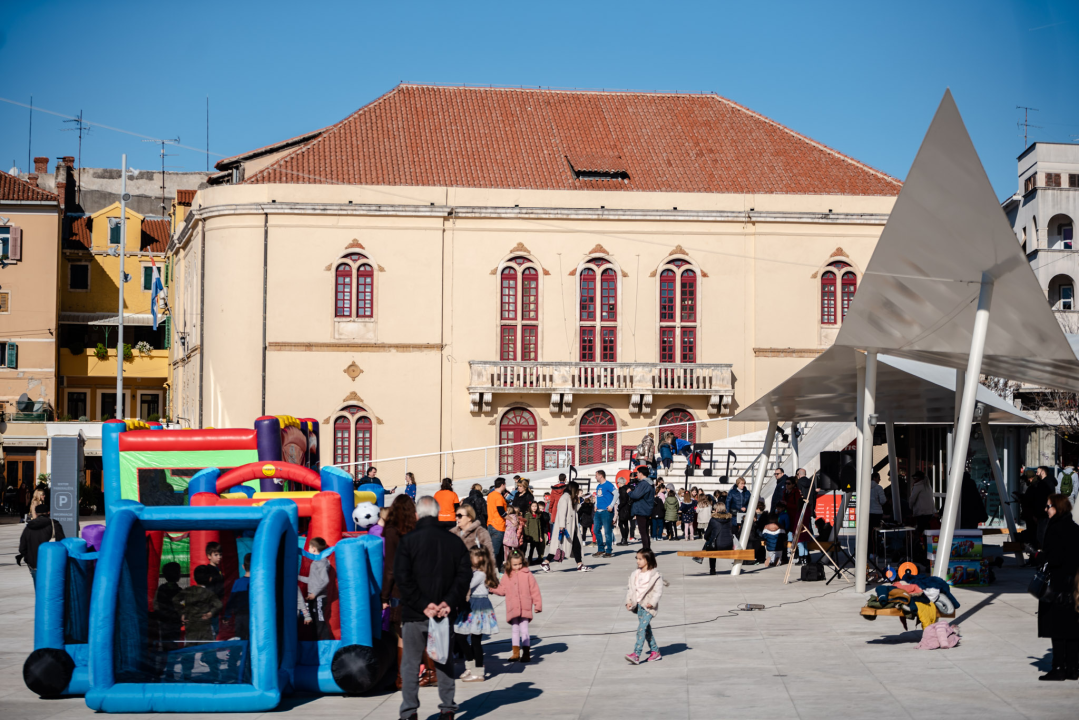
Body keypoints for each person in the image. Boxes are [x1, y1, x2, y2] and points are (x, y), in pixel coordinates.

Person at [394, 496, 472, 720]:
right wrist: (449, 601)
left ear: (417, 515)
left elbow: (402, 577)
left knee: (410, 663)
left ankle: (409, 712)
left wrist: (422, 604)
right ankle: (447, 709)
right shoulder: (453, 541)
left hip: (415, 613)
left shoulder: (407, 541)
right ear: (438, 514)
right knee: (444, 660)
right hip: (444, 614)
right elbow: (464, 574)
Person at [1036, 494, 1079, 681]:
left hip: (1058, 584)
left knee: (1057, 629)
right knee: (1072, 629)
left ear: (1057, 507)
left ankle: (1059, 667)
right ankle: (1073, 668)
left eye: (1048, 506)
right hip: (1075, 585)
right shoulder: (1076, 528)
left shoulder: (1054, 529)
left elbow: (1054, 559)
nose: (1046, 510)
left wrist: (1039, 557)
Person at [381, 495, 421, 690]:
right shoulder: (418, 529)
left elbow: (390, 567)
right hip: (420, 584)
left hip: (400, 586)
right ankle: (427, 670)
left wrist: (384, 596)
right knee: (419, 629)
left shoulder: (392, 531)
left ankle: (402, 677)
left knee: (402, 634)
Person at [453, 547, 500, 682]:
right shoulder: (477, 572)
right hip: (473, 604)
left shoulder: (480, 574)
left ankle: (478, 671)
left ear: (479, 559)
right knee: (461, 636)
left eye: (471, 557)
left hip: (478, 606)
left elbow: (466, 584)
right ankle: (471, 666)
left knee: (475, 641)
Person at [490, 550, 543, 663]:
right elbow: (502, 590)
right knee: (514, 629)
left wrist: (537, 604)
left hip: (525, 607)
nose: (518, 567)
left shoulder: (527, 574)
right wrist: (492, 588)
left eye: (520, 564)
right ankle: (515, 653)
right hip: (513, 608)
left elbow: (534, 590)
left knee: (524, 630)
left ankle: (526, 653)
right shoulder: (507, 575)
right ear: (509, 564)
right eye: (515, 565)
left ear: (523, 562)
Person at [174, 564, 223, 680]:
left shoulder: (188, 591)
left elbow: (175, 599)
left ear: (194, 578)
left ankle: (186, 675)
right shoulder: (209, 593)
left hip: (191, 627)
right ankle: (215, 676)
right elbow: (219, 605)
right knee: (209, 652)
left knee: (189, 652)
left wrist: (181, 613)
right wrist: (210, 613)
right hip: (205, 628)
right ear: (210, 579)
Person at [624, 548, 664, 665]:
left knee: (641, 630)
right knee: (646, 630)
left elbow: (658, 591)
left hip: (648, 607)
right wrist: (629, 601)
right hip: (639, 606)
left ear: (648, 559)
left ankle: (636, 654)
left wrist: (652, 602)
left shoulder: (655, 575)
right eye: (637, 559)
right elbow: (631, 590)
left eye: (640, 559)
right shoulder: (635, 574)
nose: (638, 561)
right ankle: (655, 652)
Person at [543, 480, 590, 572]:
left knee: (575, 544)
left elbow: (575, 510)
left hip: (571, 526)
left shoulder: (570, 497)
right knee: (559, 545)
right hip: (565, 527)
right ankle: (546, 562)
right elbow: (562, 512)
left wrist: (578, 501)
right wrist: (562, 526)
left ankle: (579, 564)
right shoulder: (565, 498)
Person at [18, 502, 64, 587]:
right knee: (54, 593)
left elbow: (22, 548)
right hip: (52, 564)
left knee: (40, 593)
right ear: (48, 512)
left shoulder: (28, 527)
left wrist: (28, 560)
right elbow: (62, 545)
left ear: (35, 513)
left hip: (34, 565)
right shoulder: (54, 525)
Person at [305, 537, 334, 640]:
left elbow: (325, 580)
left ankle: (326, 642)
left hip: (319, 597)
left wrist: (314, 593)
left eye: (309, 547)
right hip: (314, 597)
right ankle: (317, 641)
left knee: (320, 620)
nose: (307, 549)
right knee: (314, 621)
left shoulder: (322, 562)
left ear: (313, 549)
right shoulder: (315, 562)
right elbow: (312, 580)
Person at [155, 561, 185, 654]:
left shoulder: (162, 588)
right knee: (173, 644)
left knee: (166, 644)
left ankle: (166, 663)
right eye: (179, 572)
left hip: (165, 621)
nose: (180, 574)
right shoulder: (178, 590)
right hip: (174, 621)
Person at [703, 506, 735, 575]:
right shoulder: (729, 519)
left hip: (717, 546)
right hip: (729, 544)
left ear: (717, 510)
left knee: (710, 544)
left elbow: (706, 535)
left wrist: (709, 539)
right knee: (711, 542)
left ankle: (712, 569)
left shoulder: (713, 520)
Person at [592, 469, 617, 558]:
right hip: (598, 511)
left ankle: (609, 550)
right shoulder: (598, 486)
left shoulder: (608, 485)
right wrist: (595, 504)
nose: (595, 477)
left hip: (606, 512)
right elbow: (598, 497)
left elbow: (616, 494)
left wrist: (611, 505)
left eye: (596, 475)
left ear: (600, 475)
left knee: (607, 532)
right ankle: (601, 549)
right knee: (595, 530)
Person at [629, 468, 655, 552]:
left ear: (641, 473)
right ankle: (647, 548)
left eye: (638, 473)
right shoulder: (650, 483)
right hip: (647, 509)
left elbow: (636, 495)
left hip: (642, 509)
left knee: (643, 531)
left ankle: (646, 550)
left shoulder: (644, 483)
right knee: (645, 531)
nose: (637, 475)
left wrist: (629, 492)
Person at [486, 478, 509, 562]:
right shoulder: (498, 496)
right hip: (498, 525)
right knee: (495, 550)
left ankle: (498, 568)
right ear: (502, 485)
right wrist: (511, 519)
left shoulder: (490, 495)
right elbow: (501, 511)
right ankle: (490, 569)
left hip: (490, 524)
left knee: (494, 549)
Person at [617, 474, 634, 545]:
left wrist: (619, 506)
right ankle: (624, 539)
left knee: (621, 524)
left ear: (620, 483)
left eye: (618, 482)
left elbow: (623, 500)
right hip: (627, 509)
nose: (617, 484)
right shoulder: (627, 488)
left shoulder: (622, 489)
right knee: (626, 524)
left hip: (623, 509)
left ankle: (624, 539)